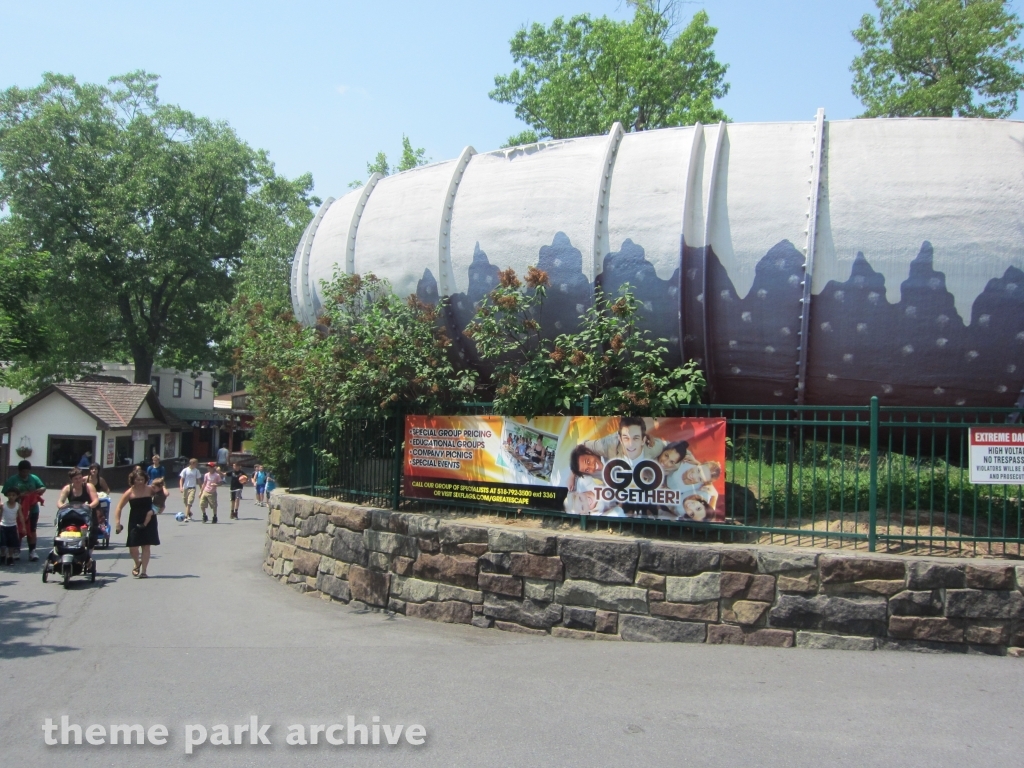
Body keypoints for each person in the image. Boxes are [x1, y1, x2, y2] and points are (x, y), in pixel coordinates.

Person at [114, 466, 159, 578]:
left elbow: (162, 495)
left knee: (146, 546)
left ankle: (144, 571)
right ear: (133, 480)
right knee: (133, 546)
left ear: (145, 479)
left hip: (149, 520)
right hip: (135, 519)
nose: (140, 482)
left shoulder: (150, 489)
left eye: (142, 479)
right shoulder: (129, 492)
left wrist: (157, 509)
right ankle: (137, 562)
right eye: (137, 479)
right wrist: (117, 523)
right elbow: (119, 507)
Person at [2, 460, 45, 561]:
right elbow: (5, 492)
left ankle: (32, 551)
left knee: (32, 529)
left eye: (27, 471)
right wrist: (18, 495)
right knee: (18, 529)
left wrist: (41, 489)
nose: (25, 474)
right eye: (23, 472)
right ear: (19, 471)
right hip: (17, 508)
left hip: (32, 509)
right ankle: (17, 549)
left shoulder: (34, 478)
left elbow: (42, 487)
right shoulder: (13, 480)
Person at [583, 417, 665, 467]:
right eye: (626, 438)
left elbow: (663, 445)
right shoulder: (609, 446)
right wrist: (573, 472)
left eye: (636, 438)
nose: (631, 444)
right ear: (620, 439)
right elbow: (582, 446)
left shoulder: (654, 449)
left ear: (643, 440)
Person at [1, 488, 21, 565]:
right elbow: (1, 515)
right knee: (3, 543)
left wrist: (23, 527)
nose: (11, 497)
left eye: (13, 495)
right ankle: (2, 555)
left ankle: (10, 557)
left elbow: (21, 516)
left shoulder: (18, 506)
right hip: (3, 526)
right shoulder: (3, 505)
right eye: (9, 495)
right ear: (7, 496)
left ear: (16, 496)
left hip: (12, 526)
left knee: (11, 544)